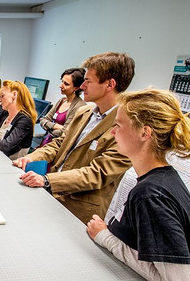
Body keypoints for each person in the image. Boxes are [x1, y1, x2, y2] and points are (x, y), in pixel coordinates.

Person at [87, 89, 190, 280]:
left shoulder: (150, 195)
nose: (112, 131)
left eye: (118, 125)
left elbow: (179, 278)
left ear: (144, 132)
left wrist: (105, 237)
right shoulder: (166, 180)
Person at [14, 52, 134, 224]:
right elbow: (61, 143)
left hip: (78, 209)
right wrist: (30, 157)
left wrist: (48, 180)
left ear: (110, 84)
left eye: (88, 81)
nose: (82, 86)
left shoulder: (124, 127)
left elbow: (98, 173)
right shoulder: (84, 112)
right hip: (51, 194)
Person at [39, 68, 87, 146]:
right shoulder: (61, 101)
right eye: (62, 82)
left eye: (66, 84)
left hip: (57, 147)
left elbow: (64, 133)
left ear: (77, 87)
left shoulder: (79, 107)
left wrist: (48, 127)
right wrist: (55, 126)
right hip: (46, 142)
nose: (61, 86)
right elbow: (42, 120)